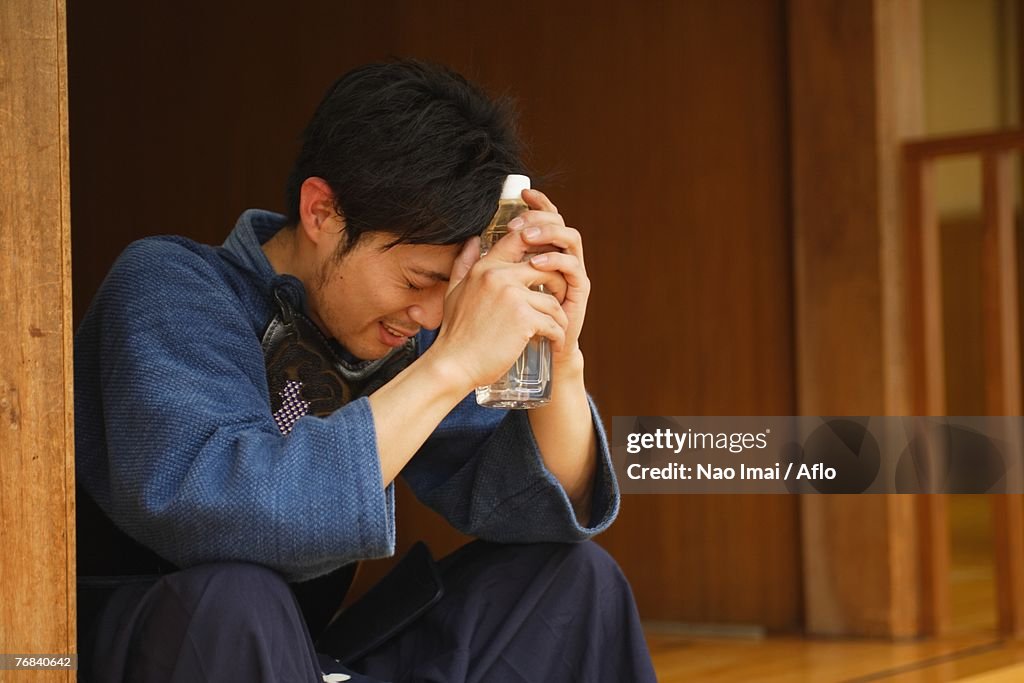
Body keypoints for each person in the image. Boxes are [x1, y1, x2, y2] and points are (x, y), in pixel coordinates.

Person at [74, 59, 656, 682]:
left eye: (447, 290)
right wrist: (450, 364)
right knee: (236, 598)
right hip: (168, 643)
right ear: (322, 212)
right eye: (417, 280)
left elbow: (539, 507)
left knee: (573, 582)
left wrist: (561, 359)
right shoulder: (168, 285)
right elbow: (220, 513)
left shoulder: (410, 331)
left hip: (305, 657)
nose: (430, 313)